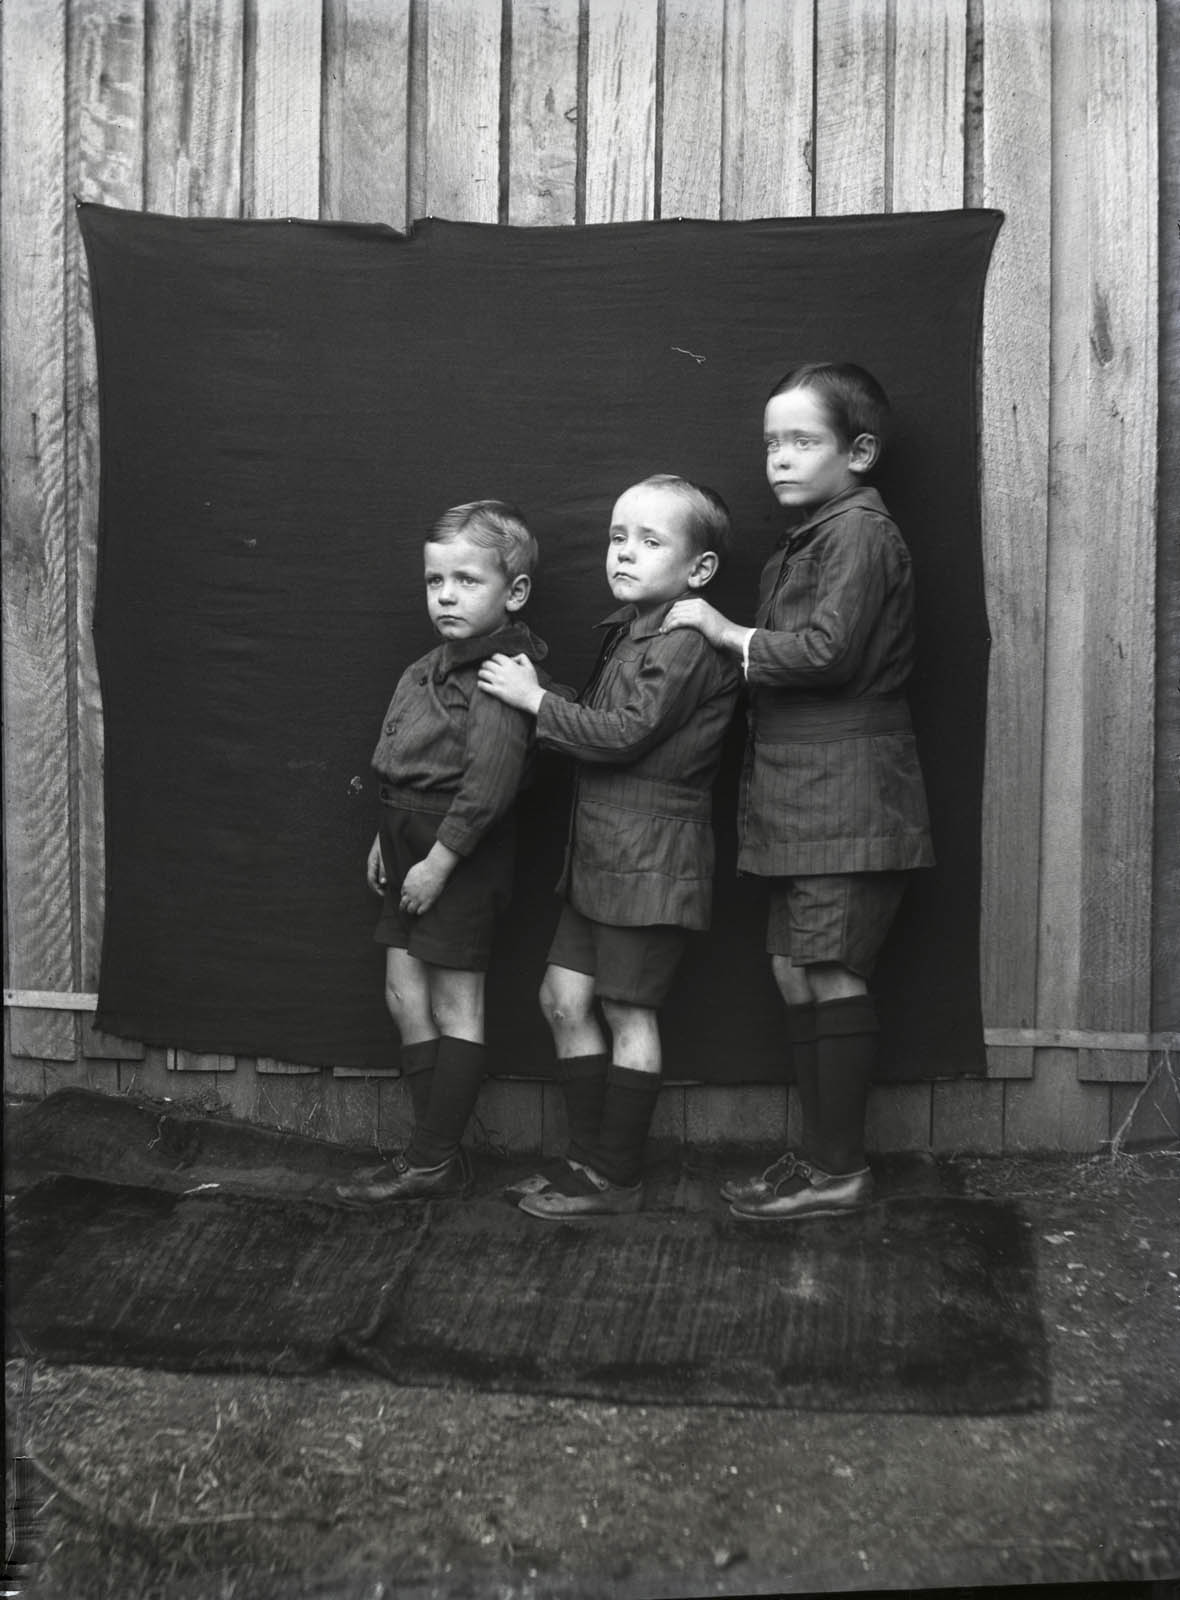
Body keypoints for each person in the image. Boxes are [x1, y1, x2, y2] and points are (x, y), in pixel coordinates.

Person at [662, 363, 934, 1220]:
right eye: (771, 441)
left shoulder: (860, 534)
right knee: (793, 968)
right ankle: (820, 1157)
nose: (779, 457)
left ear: (860, 452)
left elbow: (828, 654)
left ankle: (839, 1171)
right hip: (799, 792)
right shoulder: (815, 535)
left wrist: (723, 630)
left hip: (848, 793)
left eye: (802, 441)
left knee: (829, 969)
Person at [478, 475, 741, 1218]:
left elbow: (625, 735)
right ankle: (586, 1160)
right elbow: (599, 720)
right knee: (562, 1000)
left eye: (649, 541)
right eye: (618, 536)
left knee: (628, 1012)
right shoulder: (629, 628)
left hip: (651, 861)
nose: (624, 552)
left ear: (699, 570)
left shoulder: (685, 642)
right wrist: (536, 694)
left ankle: (615, 1177)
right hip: (599, 855)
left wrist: (534, 700)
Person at [336, 501, 552, 1204]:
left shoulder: (502, 676)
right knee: (404, 995)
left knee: (457, 1001)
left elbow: (489, 789)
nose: (447, 596)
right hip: (408, 843)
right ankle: (439, 1154)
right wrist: (386, 836)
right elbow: (405, 761)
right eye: (436, 581)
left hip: (459, 851)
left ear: (514, 592)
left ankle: (429, 1160)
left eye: (467, 580)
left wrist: (438, 863)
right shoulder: (427, 667)